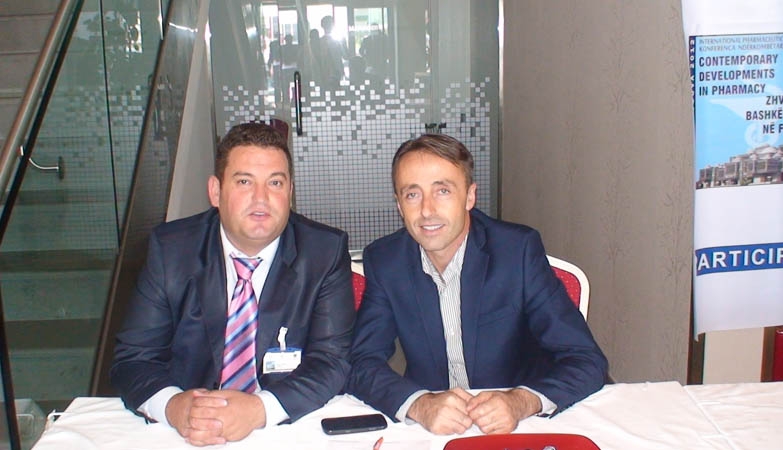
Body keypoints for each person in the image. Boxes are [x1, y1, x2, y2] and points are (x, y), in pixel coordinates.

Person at [110, 122, 355, 446]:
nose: (261, 198)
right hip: (189, 434)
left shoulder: (324, 252)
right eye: (244, 182)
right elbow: (135, 358)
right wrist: (174, 406)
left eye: (275, 183)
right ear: (216, 191)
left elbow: (332, 361)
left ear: (290, 192)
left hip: (283, 430)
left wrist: (259, 409)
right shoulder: (171, 250)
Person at [347, 134, 607, 435]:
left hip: (518, 425)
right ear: (399, 205)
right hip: (432, 427)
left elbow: (586, 360)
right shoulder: (386, 260)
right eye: (412, 194)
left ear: (470, 196)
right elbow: (361, 362)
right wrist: (419, 404)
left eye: (442, 190)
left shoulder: (517, 252)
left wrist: (521, 401)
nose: (427, 210)